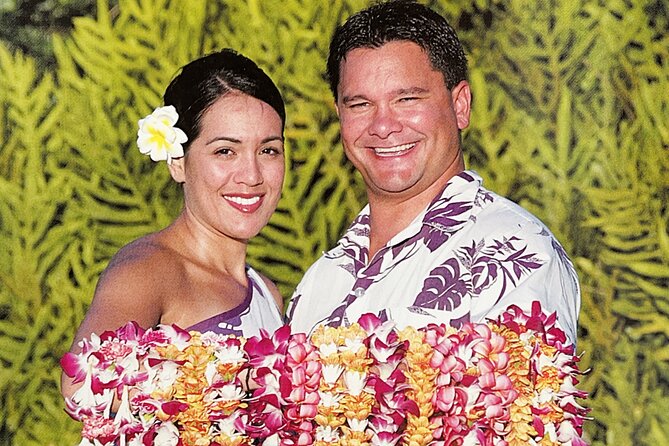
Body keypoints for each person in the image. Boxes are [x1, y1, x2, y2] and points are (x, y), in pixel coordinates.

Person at [287, 0, 581, 345]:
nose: (382, 126)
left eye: (407, 100)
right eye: (361, 105)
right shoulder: (323, 279)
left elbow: (524, 394)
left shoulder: (513, 252)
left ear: (460, 106)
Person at [62, 49, 286, 396]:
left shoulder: (267, 293)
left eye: (268, 150)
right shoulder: (151, 270)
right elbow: (82, 385)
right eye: (225, 151)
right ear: (177, 162)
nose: (252, 175)